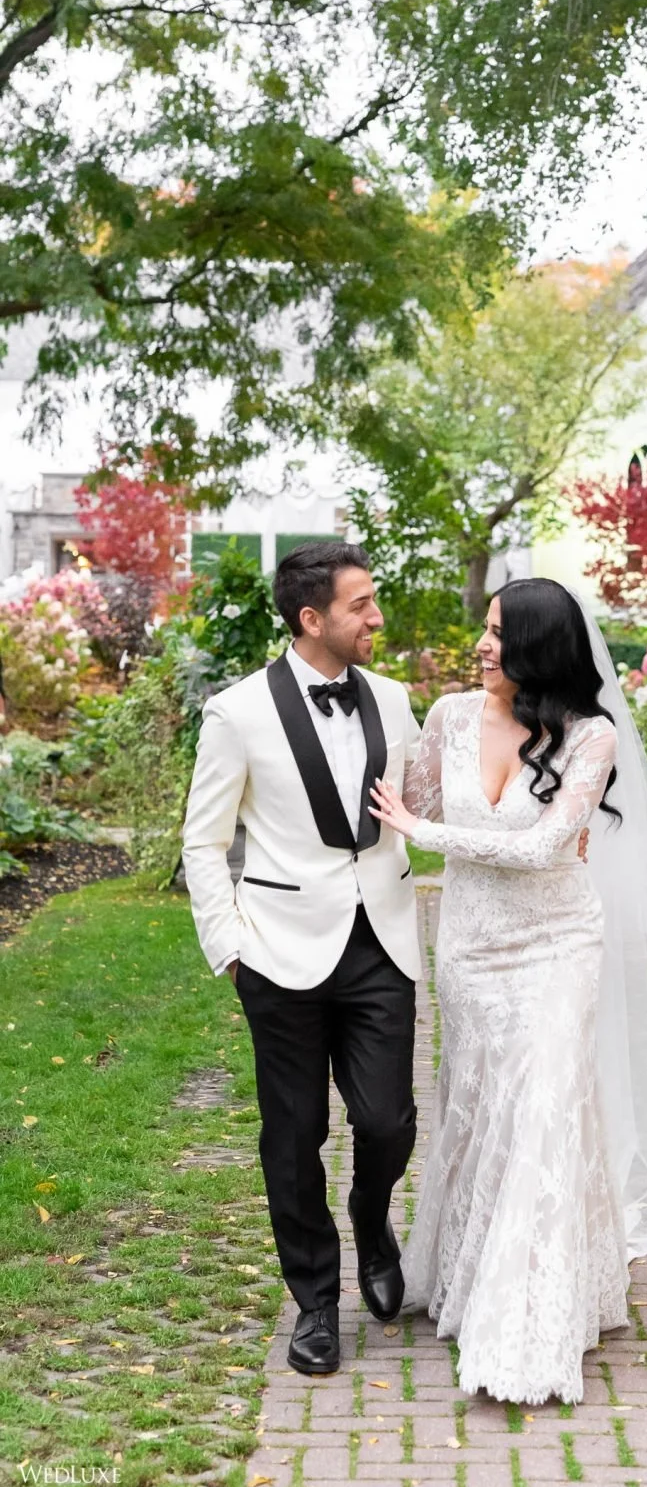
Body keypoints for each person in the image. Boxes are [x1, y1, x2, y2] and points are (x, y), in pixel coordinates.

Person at [369, 577, 647, 1405]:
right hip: (471, 946)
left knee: (544, 1103)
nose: (482, 642)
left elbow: (544, 848)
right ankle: (469, 1273)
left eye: (500, 632)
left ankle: (527, 1321)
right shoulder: (450, 716)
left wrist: (426, 834)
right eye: (485, 626)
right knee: (482, 1105)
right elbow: (413, 797)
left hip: (557, 942)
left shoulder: (592, 735)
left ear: (540, 646)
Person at [182, 542, 424, 1377]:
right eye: (362, 604)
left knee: (388, 1120)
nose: (377, 616)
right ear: (312, 618)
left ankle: (372, 1216)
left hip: (382, 939)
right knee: (293, 1135)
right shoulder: (237, 712)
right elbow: (204, 840)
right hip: (277, 950)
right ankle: (316, 1300)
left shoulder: (393, 699)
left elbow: (426, 800)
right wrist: (229, 946)